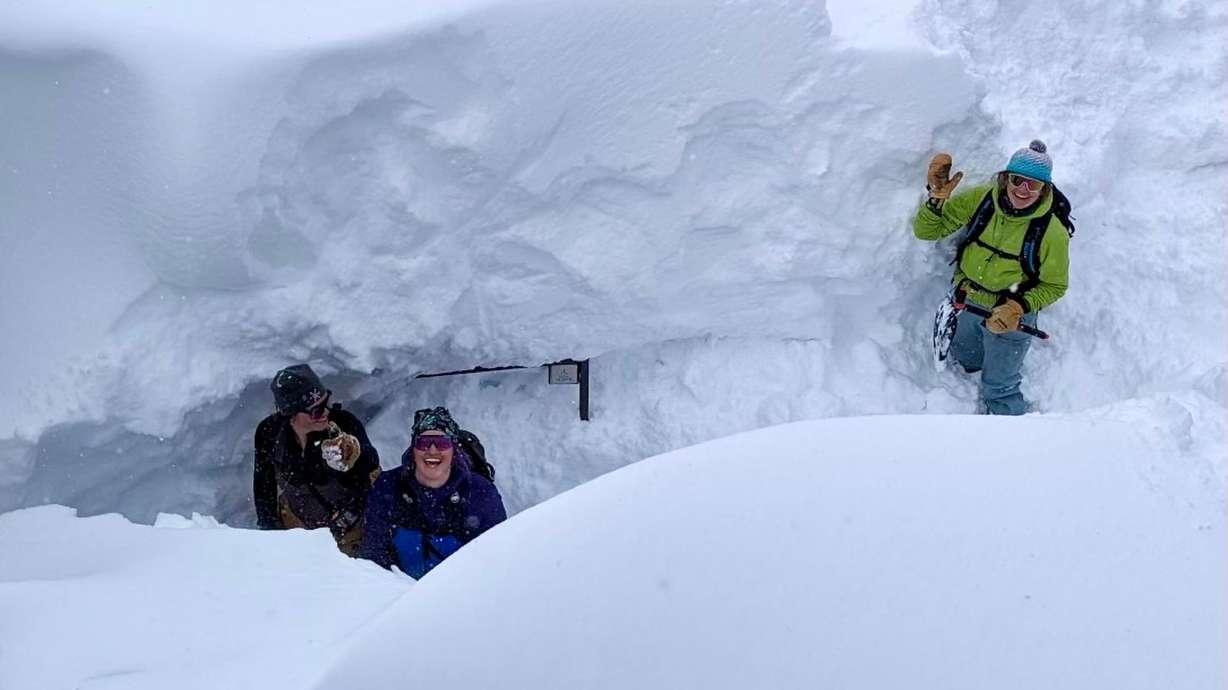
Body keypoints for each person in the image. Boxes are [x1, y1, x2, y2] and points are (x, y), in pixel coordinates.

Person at [914, 140, 1070, 415]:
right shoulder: (981, 200)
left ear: (1045, 188)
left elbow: (1055, 285)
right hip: (966, 301)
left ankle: (1012, 446)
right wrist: (936, 200)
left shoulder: (1051, 232)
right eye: (1017, 180)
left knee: (1000, 387)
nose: (1023, 189)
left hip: (1011, 315)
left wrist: (1016, 308)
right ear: (1005, 178)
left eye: (1033, 185)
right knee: (966, 361)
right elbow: (927, 232)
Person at [359, 406, 507, 578]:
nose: (432, 450)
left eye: (442, 442)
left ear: (453, 448)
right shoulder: (388, 487)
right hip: (399, 594)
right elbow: (373, 554)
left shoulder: (480, 492)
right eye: (423, 442)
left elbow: (496, 560)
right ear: (414, 448)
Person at [253, 364, 381, 554]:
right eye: (316, 410)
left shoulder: (343, 424)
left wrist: (353, 457)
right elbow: (264, 486)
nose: (326, 413)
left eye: (326, 402)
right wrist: (271, 534)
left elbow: (370, 463)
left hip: (351, 526)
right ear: (291, 415)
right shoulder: (270, 434)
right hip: (298, 528)